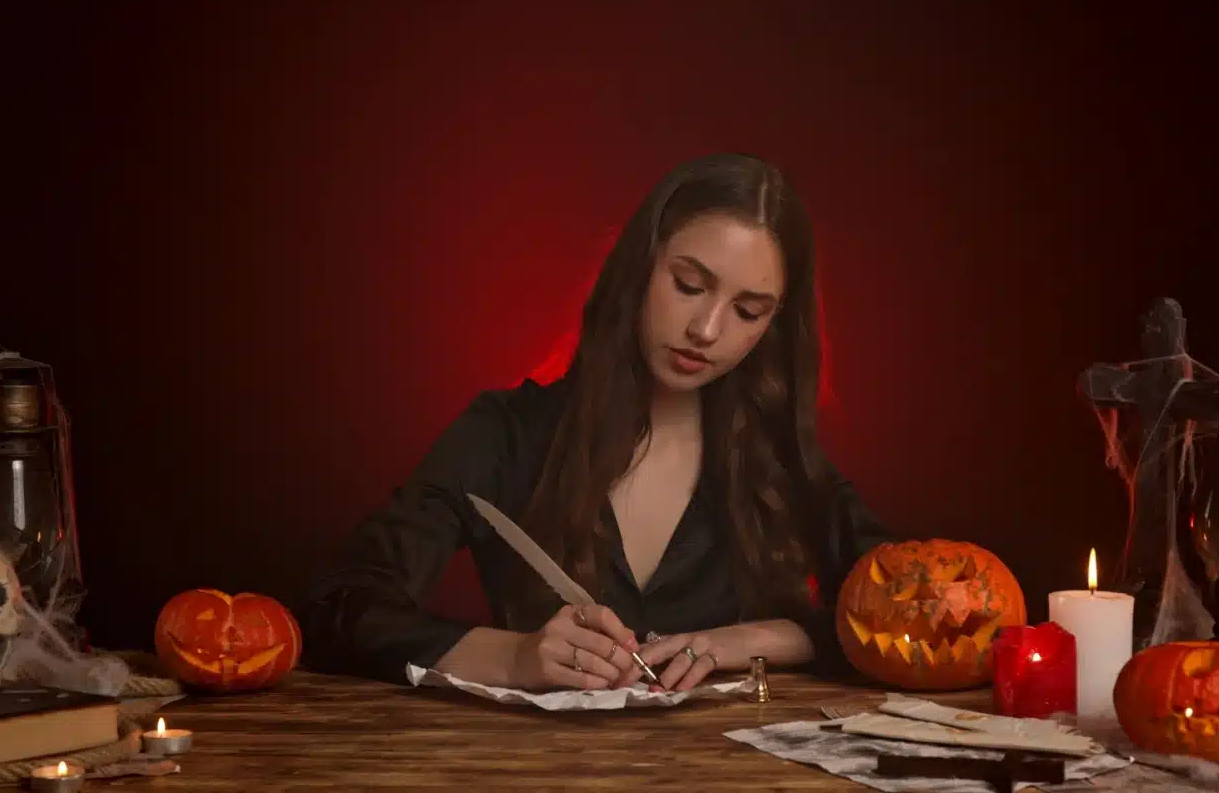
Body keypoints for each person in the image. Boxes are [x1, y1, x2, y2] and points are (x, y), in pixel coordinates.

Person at [297, 153, 895, 693]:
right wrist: (510, 658)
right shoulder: (504, 435)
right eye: (688, 285)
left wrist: (752, 642)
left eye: (747, 311)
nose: (707, 330)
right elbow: (338, 608)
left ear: (772, 326)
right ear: (640, 268)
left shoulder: (780, 460)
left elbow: (909, 614)